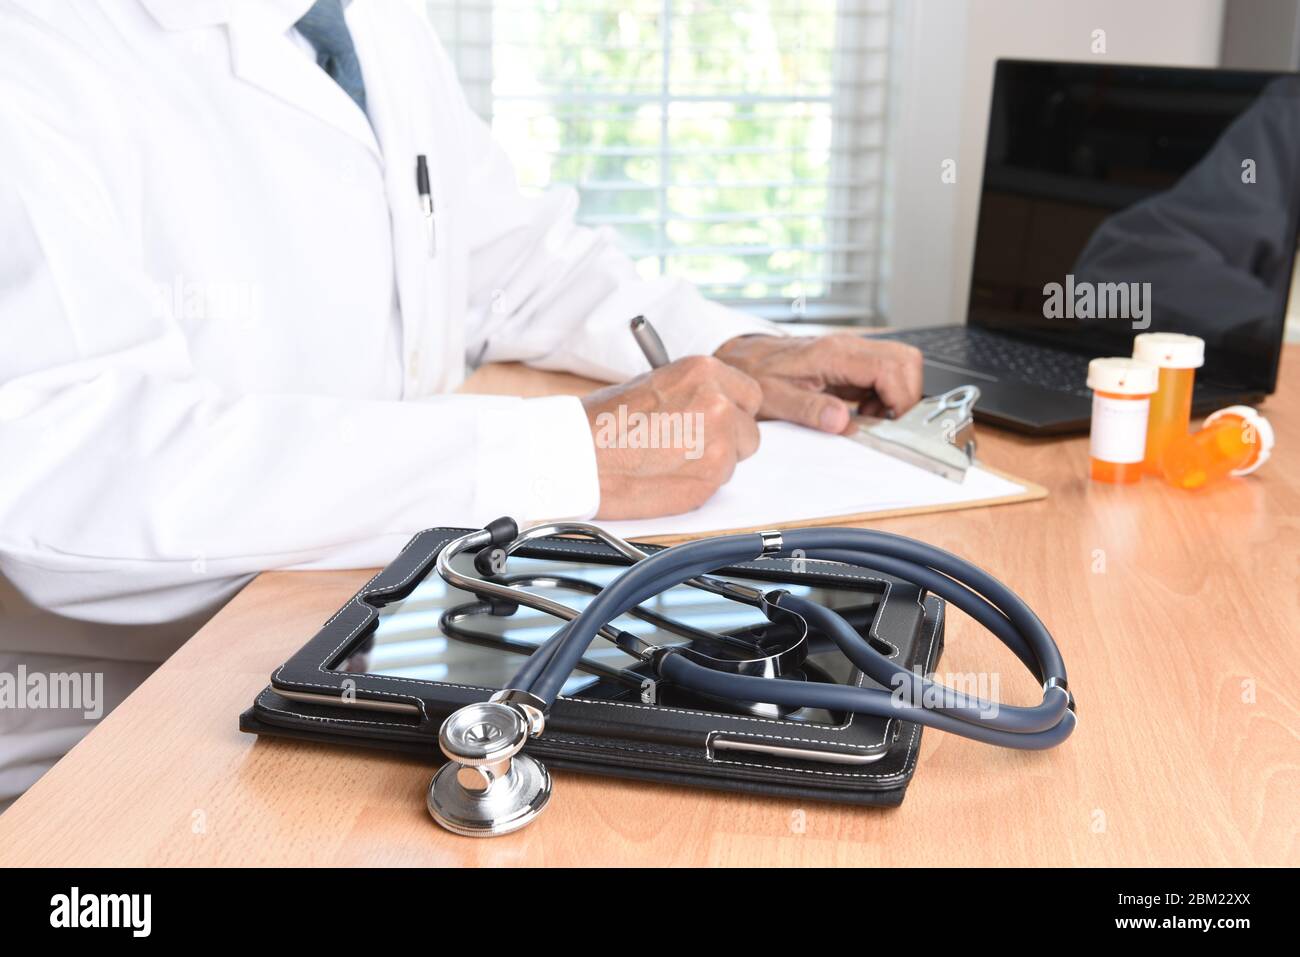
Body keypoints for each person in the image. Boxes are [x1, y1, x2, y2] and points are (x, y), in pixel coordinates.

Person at [0, 0, 921, 805]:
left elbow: (506, 260)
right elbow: (61, 467)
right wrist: (566, 456)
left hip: (360, 627)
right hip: (126, 721)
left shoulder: (372, 20)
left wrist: (726, 345)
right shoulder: (33, 49)